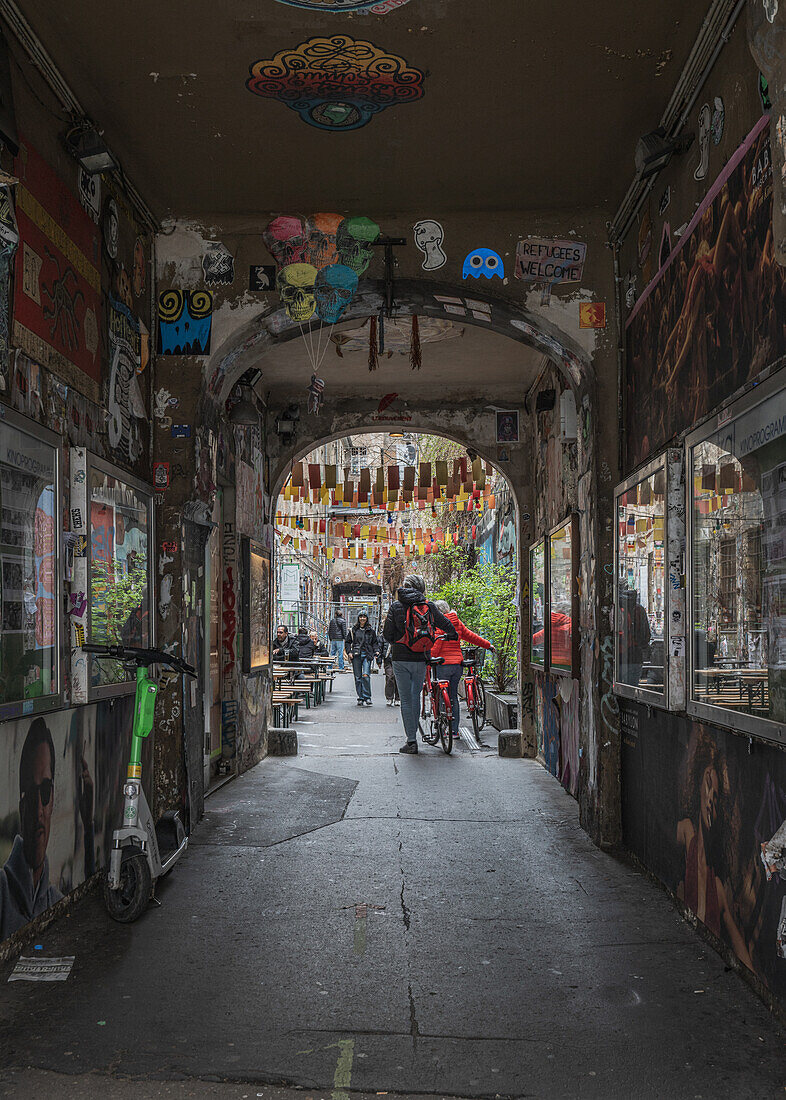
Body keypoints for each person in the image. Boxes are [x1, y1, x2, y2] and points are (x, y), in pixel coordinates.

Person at [0, 720, 63, 938]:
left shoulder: (55, 900)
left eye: (45, 791)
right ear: (21, 806)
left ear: (53, 799)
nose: (39, 810)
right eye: (31, 793)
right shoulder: (2, 892)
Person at [382, 574, 457, 754]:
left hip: (400, 658)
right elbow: (446, 624)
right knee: (415, 696)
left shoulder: (396, 606)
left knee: (406, 699)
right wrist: (452, 634)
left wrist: (399, 641)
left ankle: (411, 741)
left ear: (405, 586)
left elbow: (386, 634)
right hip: (421, 657)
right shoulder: (429, 606)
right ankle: (415, 737)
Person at [431, 599, 493, 738]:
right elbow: (472, 636)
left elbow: (436, 647)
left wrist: (428, 658)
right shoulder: (457, 622)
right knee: (453, 697)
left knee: (442, 696)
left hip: (443, 665)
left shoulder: (440, 624)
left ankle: (442, 725)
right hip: (457, 665)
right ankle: (454, 731)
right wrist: (488, 645)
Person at [345, 612, 380, 707]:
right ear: (358, 618)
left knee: (365, 675)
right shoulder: (354, 630)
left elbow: (375, 643)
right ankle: (360, 697)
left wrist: (376, 651)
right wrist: (349, 652)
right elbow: (348, 642)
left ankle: (367, 697)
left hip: (367, 655)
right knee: (357, 678)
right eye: (360, 616)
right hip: (356, 655)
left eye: (364, 617)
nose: (362, 618)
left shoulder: (371, 631)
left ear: (367, 618)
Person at [381, 641, 400, 707]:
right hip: (388, 658)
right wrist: (379, 659)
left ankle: (398, 698)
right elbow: (381, 645)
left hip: (399, 659)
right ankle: (389, 697)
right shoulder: (386, 635)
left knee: (398, 678)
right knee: (389, 677)